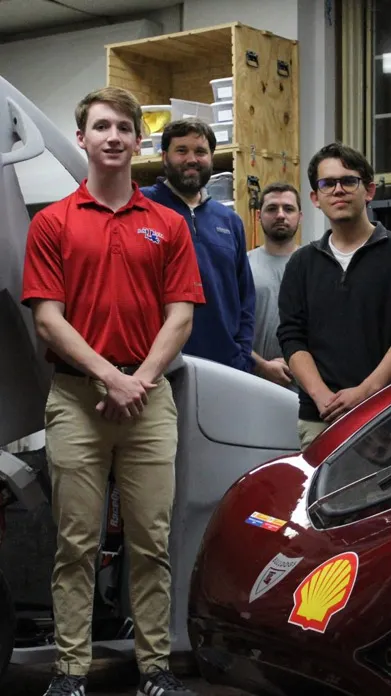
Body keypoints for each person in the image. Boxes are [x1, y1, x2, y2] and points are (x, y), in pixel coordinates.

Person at [22, 87, 204, 696]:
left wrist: (138, 381)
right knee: (76, 543)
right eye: (102, 126)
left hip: (149, 399)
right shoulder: (53, 222)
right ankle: (71, 670)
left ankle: (155, 668)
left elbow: (181, 317)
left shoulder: (168, 225)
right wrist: (111, 377)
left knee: (152, 542)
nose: (114, 136)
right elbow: (48, 320)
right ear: (82, 138)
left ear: (137, 140)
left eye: (124, 127)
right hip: (78, 400)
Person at [277, 142, 391, 449]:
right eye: (328, 183)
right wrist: (323, 398)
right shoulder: (301, 264)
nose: (338, 190)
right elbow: (291, 337)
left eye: (349, 181)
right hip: (321, 418)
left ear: (369, 190)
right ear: (315, 198)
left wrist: (366, 392)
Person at [142, 118, 256, 372]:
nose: (192, 159)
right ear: (164, 157)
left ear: (211, 158)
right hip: (158, 364)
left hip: (226, 365)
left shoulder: (229, 220)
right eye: (181, 150)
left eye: (201, 152)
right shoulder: (142, 206)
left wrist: (242, 354)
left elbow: (245, 297)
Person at [248, 182, 302, 387]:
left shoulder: (317, 265)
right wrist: (261, 365)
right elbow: (230, 330)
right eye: (272, 209)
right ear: (258, 215)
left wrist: (297, 364)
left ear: (300, 216)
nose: (280, 215)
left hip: (307, 385)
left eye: (288, 209)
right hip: (253, 382)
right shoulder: (242, 266)